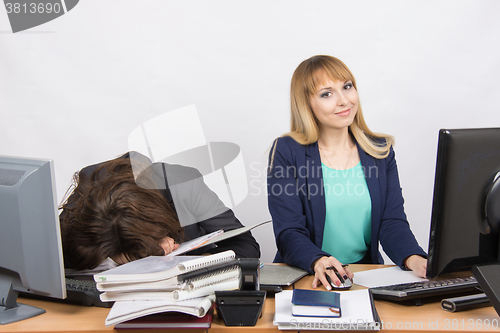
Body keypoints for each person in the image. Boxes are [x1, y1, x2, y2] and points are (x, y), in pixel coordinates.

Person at [267, 55, 427, 290]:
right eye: (326, 94)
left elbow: (391, 222)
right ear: (306, 103)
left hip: (363, 275)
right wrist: (319, 261)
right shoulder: (287, 151)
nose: (344, 101)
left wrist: (414, 259)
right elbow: (289, 231)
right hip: (307, 274)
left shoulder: (379, 151)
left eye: (347, 87)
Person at [60, 152, 260, 270]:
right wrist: (119, 256)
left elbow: (246, 247)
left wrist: (194, 263)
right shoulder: (91, 185)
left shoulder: (183, 183)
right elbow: (58, 254)